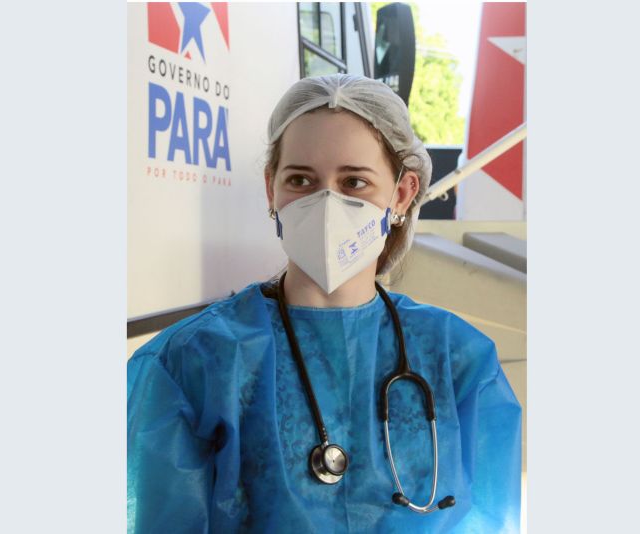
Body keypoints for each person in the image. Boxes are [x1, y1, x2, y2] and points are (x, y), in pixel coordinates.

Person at [127, 74, 521, 533]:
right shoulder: (193, 361)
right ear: (271, 187)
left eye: (354, 182)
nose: (326, 203)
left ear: (401, 193)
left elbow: (490, 518)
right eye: (301, 180)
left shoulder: (459, 359)